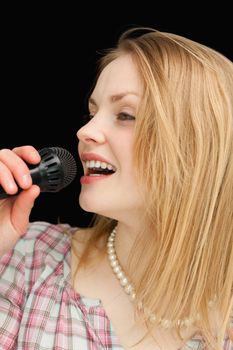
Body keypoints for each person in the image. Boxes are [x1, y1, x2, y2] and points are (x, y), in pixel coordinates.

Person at [0, 27, 232, 350]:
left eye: (125, 114)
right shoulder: (30, 257)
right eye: (93, 112)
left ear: (197, 148)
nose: (85, 131)